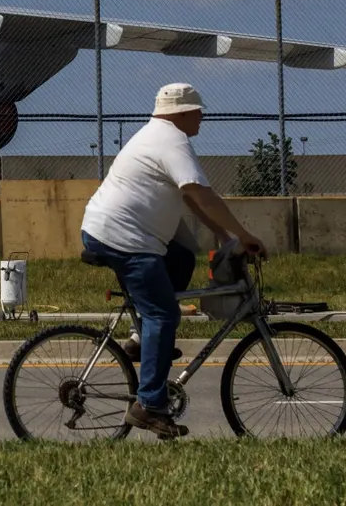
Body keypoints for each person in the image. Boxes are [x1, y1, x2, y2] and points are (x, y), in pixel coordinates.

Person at [80, 82, 267, 440]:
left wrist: (224, 235)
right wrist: (243, 235)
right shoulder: (171, 140)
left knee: (181, 256)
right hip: (124, 239)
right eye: (198, 111)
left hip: (113, 231)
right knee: (164, 314)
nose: (201, 117)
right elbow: (200, 192)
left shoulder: (156, 135)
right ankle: (149, 405)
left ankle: (139, 340)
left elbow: (192, 199)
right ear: (181, 112)